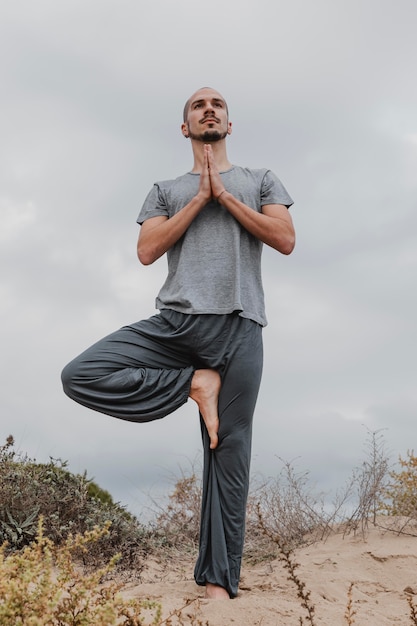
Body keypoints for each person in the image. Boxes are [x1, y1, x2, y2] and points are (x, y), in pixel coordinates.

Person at [61, 87, 295, 599]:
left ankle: (217, 587)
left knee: (227, 455)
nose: (208, 109)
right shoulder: (164, 189)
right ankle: (193, 383)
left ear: (229, 125)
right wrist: (198, 199)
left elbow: (284, 239)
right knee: (80, 374)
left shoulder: (261, 180)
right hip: (175, 326)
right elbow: (147, 250)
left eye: (218, 105)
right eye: (197, 105)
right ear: (185, 128)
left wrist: (226, 197)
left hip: (239, 327)